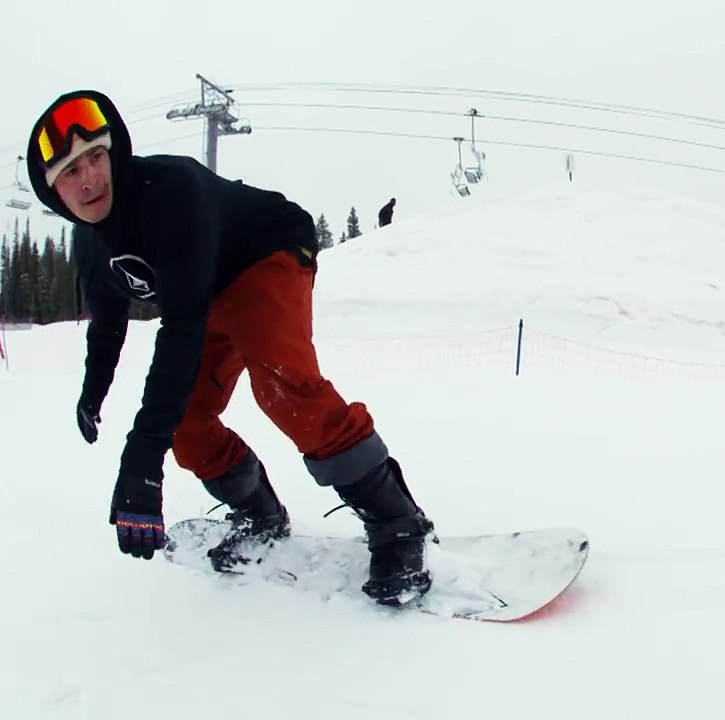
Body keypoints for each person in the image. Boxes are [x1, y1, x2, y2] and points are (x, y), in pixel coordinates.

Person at [27, 89, 435, 604]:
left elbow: (179, 328)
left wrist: (141, 457)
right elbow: (108, 322)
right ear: (53, 195)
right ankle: (261, 514)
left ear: (114, 153)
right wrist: (93, 393)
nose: (89, 179)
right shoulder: (91, 244)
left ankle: (398, 521)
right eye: (69, 173)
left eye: (95, 157)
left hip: (267, 253)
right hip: (206, 295)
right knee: (185, 423)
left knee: (282, 385)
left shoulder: (167, 191)